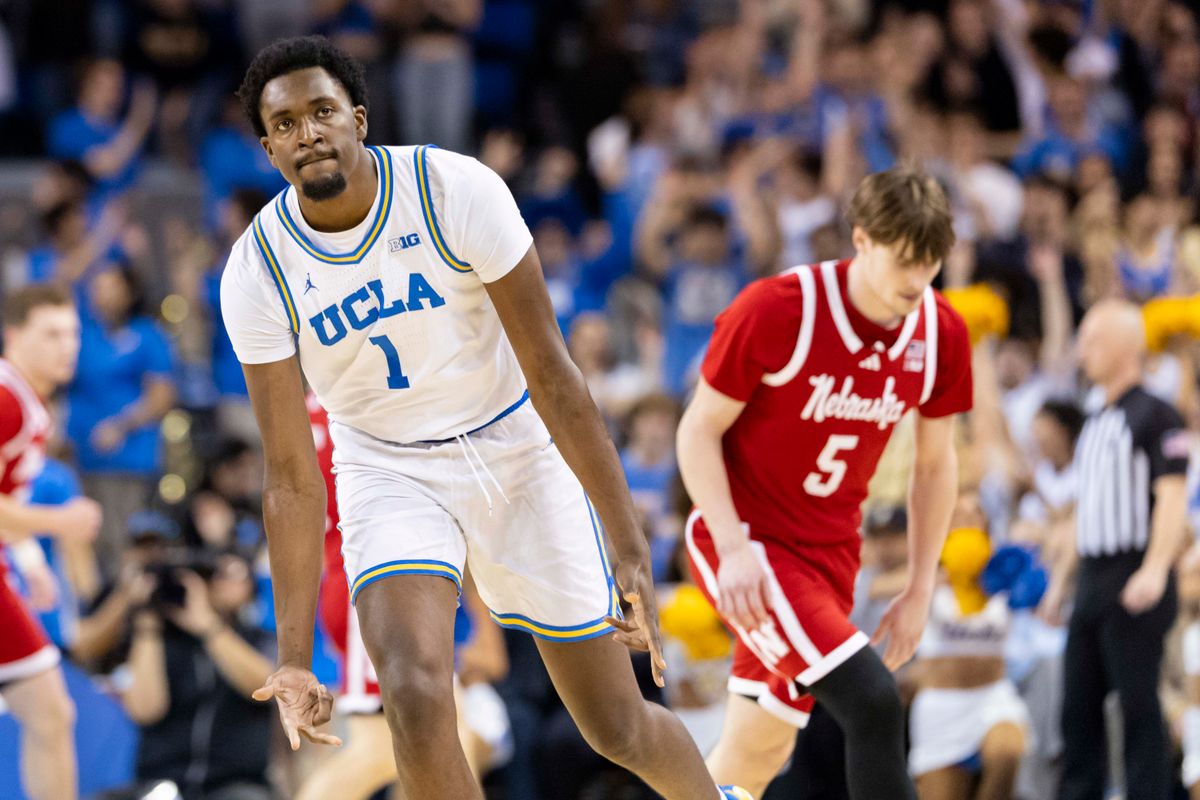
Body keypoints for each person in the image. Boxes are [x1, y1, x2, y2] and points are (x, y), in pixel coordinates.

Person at [219, 36, 751, 800]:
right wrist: (295, 655)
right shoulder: (258, 268)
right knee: (412, 693)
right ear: (268, 148)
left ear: (359, 119)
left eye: (323, 111)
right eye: (285, 124)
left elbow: (555, 377)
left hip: (513, 440)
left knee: (615, 726)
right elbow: (291, 475)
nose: (307, 133)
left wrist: (625, 536)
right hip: (386, 463)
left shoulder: (451, 189)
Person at [676, 166, 974, 799]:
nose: (918, 282)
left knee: (756, 752)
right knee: (872, 701)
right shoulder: (780, 309)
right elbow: (697, 430)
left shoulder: (939, 331)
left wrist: (921, 586)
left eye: (932, 264)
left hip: (832, 555)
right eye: (904, 262)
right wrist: (732, 550)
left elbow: (934, 466)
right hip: (750, 544)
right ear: (861, 239)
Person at [1041, 300, 1189, 800]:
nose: (1082, 351)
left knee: (1137, 706)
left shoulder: (1156, 412)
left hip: (1134, 570)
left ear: (1125, 345)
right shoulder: (1095, 418)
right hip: (1093, 578)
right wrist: (1060, 583)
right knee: (1076, 709)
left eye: (1091, 339)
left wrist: (1155, 568)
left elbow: (1172, 496)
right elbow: (1088, 509)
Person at [0, 284, 102, 800]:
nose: (68, 346)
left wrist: (26, 555)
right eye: (52, 334)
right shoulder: (6, 401)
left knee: (50, 713)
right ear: (15, 336)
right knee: (50, 714)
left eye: (74, 333)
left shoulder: (24, 398)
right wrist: (57, 524)